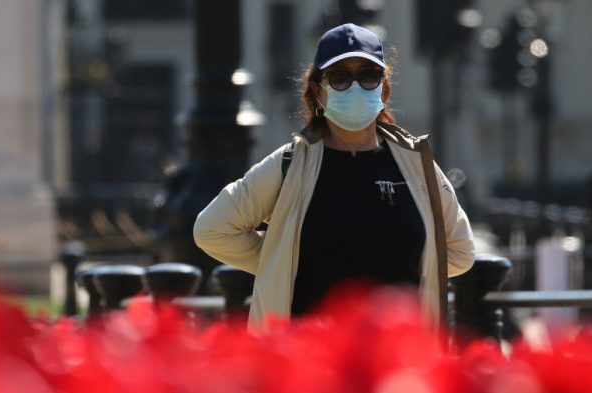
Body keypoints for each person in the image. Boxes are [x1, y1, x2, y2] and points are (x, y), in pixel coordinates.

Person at [193, 23, 475, 330]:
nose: (355, 87)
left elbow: (461, 251)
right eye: (340, 77)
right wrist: (282, 258)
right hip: (312, 364)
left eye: (368, 75)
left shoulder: (417, 164)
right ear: (317, 90)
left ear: (384, 87)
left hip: (397, 367)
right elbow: (212, 228)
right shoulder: (289, 164)